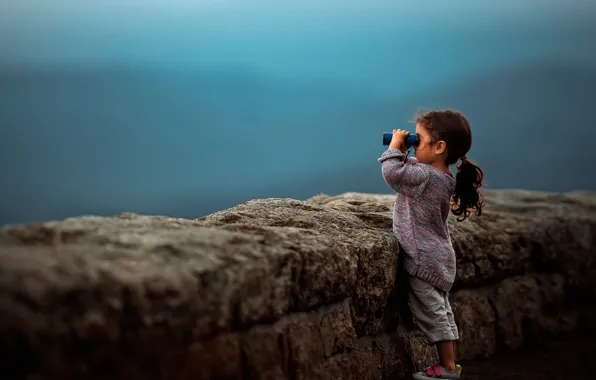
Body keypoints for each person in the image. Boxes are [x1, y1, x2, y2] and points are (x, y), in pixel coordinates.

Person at [378, 109, 485, 379]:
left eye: (418, 140)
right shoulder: (443, 177)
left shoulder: (426, 178)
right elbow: (411, 168)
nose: (412, 144)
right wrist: (407, 150)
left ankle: (448, 369)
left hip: (423, 257)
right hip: (437, 254)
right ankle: (450, 365)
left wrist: (394, 147)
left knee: (434, 314)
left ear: (439, 148)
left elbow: (392, 174)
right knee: (442, 311)